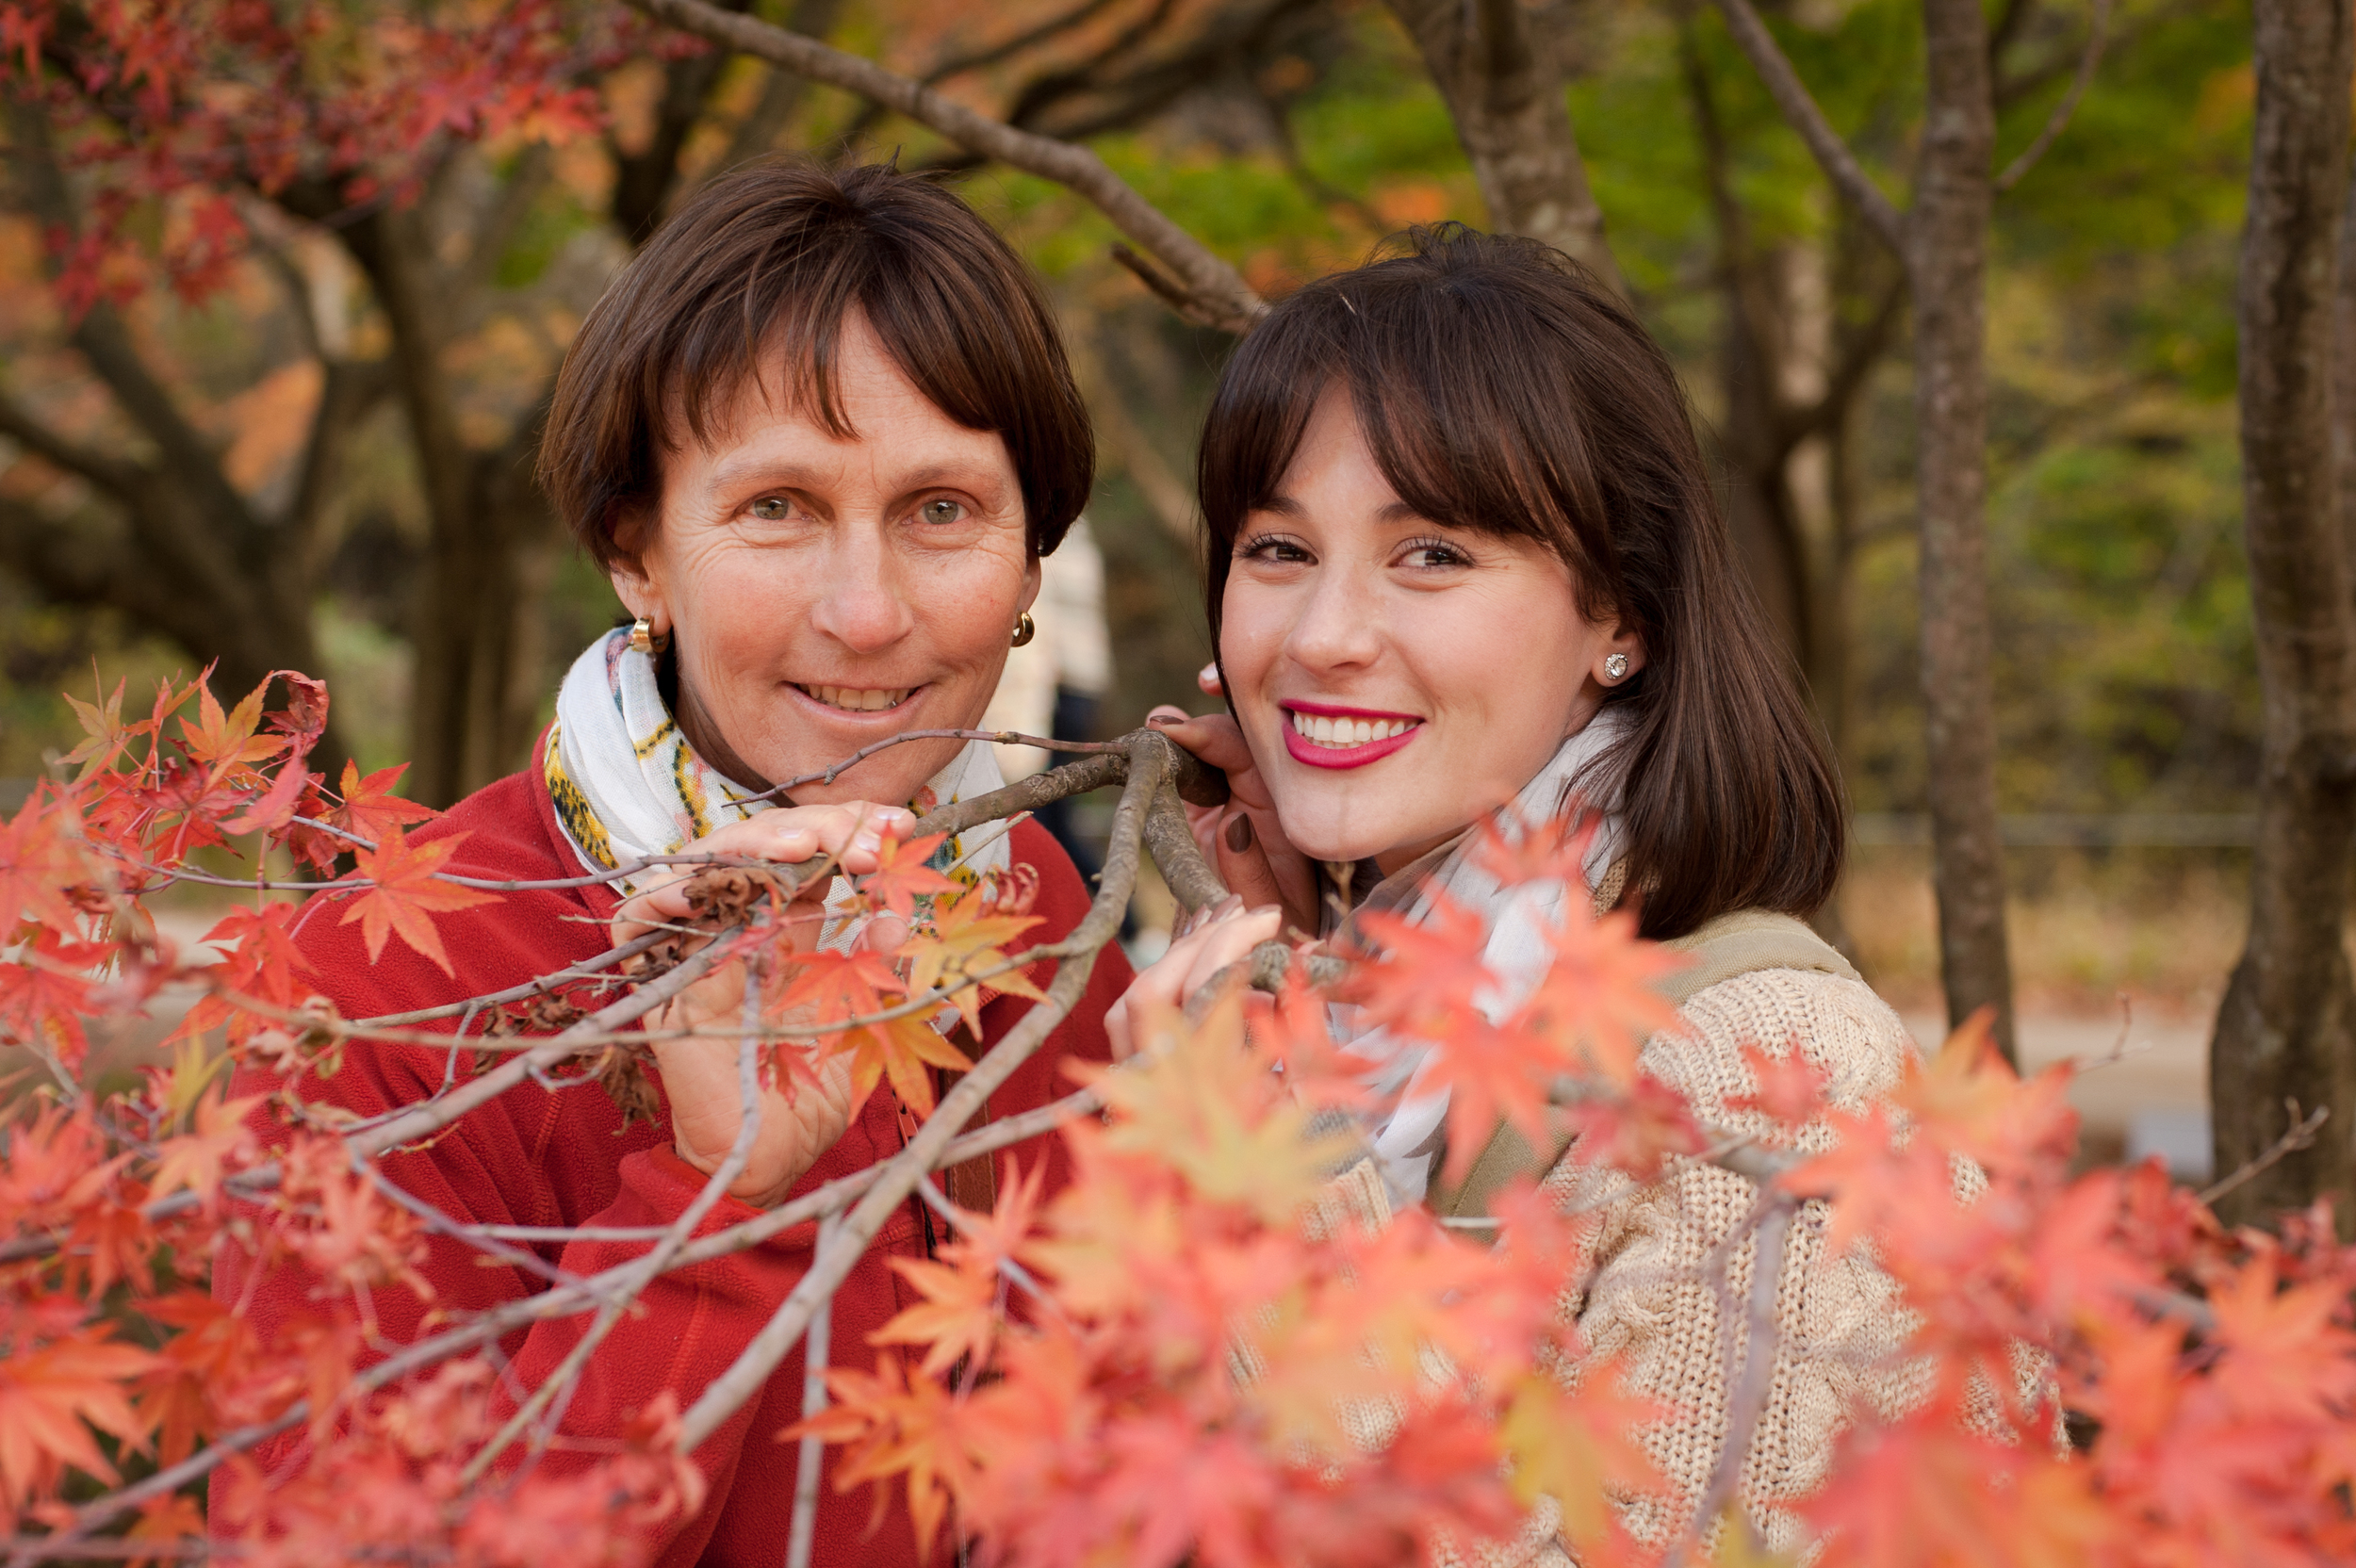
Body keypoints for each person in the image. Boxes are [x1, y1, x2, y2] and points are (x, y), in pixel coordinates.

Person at [214, 159, 1133, 1566]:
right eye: (776, 508)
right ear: (638, 551)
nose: (869, 611)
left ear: (1028, 565)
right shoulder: (381, 997)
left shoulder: (1038, 913)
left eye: (942, 509)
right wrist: (713, 1203)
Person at [1117, 226, 1918, 1555]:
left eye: (1432, 552)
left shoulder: (1766, 1063)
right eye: (1276, 548)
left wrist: (1273, 1196)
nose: (1323, 636)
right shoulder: (1378, 996)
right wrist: (1307, 969)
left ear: (1622, 616)